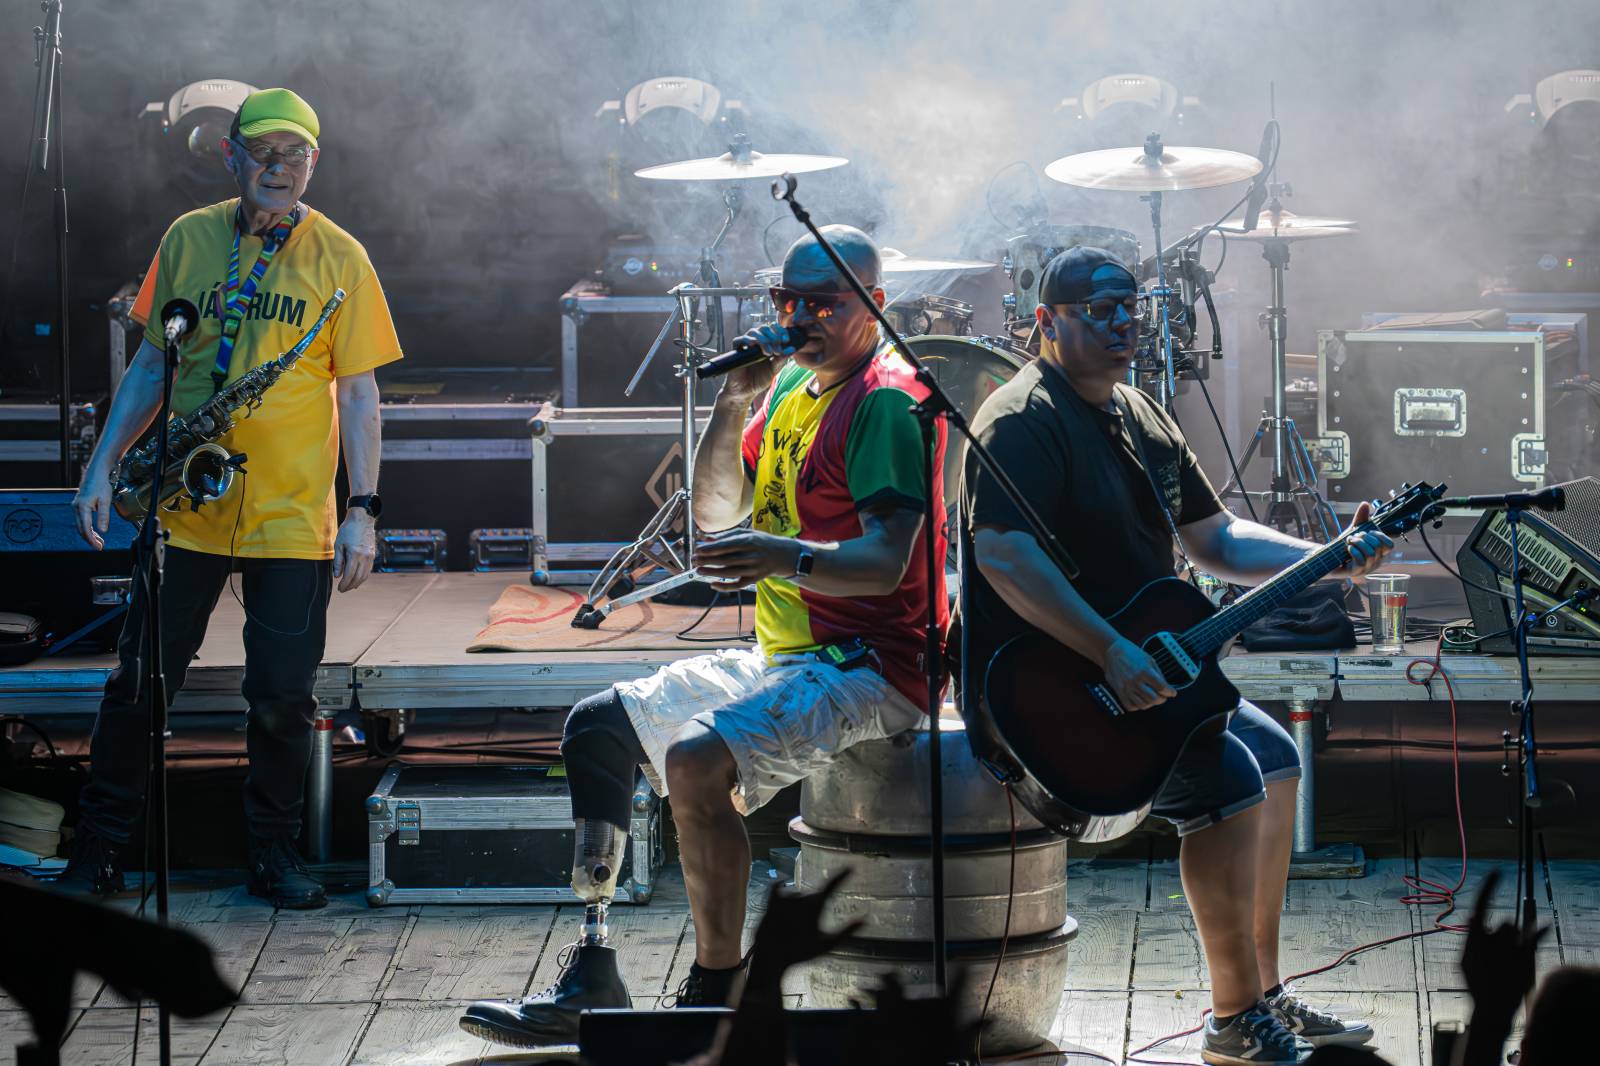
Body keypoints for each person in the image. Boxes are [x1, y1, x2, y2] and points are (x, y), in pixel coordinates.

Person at [460, 225, 946, 1048]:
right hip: (788, 655)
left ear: (875, 306)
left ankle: (716, 995)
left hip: (874, 663)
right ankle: (595, 967)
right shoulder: (788, 386)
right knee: (597, 728)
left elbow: (888, 563)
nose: (799, 317)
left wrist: (782, 556)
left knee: (693, 757)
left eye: (822, 303)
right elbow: (718, 514)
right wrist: (732, 402)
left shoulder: (888, 400)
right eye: (785, 300)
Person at [961, 247, 1389, 1066]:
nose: (1123, 323)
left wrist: (1325, 551)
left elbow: (1215, 536)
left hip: (1141, 666)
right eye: (1099, 310)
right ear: (1046, 322)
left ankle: (1262, 995)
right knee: (1229, 782)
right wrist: (1109, 649)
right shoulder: (1021, 421)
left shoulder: (1141, 415)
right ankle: (1231, 1021)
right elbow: (1004, 558)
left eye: (1130, 307)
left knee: (1276, 761)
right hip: (1050, 687)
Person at [58, 88, 403, 909]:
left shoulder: (342, 257)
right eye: (265, 153)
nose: (281, 169)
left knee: (282, 695)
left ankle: (274, 855)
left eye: (298, 156)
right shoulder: (187, 238)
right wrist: (103, 462)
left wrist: (364, 508)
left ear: (314, 164)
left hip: (290, 513)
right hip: (184, 501)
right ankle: (101, 850)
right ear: (232, 156)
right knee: (139, 682)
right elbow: (150, 366)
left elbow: (359, 397)